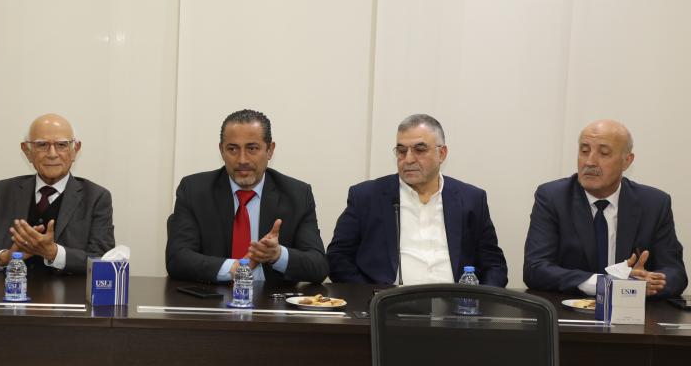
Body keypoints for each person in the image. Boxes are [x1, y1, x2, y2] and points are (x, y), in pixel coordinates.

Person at [327, 114, 507, 286]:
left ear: (442, 153)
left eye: (419, 150)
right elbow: (338, 258)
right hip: (388, 303)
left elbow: (494, 266)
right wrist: (372, 297)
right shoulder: (366, 197)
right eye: (401, 151)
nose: (408, 159)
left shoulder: (471, 199)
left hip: (454, 303)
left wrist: (477, 300)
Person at [523, 119, 687, 298]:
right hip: (569, 310)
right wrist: (605, 284)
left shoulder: (654, 204)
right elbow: (535, 269)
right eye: (584, 151)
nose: (590, 162)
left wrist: (645, 284)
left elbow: (675, 273)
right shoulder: (553, 198)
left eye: (604, 153)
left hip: (632, 312)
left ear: (626, 161)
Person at [165, 109, 328, 285]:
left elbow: (319, 266)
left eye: (252, 148)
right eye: (232, 149)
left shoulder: (297, 195)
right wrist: (234, 268)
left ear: (270, 150)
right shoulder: (194, 191)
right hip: (212, 297)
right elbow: (177, 258)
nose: (242, 160)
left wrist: (278, 255)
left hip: (270, 299)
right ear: (221, 151)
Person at [0, 113, 114, 274]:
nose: (52, 154)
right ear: (27, 151)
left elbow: (103, 260)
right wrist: (6, 257)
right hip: (7, 289)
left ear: (75, 150)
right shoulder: (1, 192)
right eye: (42, 145)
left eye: (61, 145)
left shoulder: (96, 198)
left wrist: (54, 253)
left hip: (68, 290)